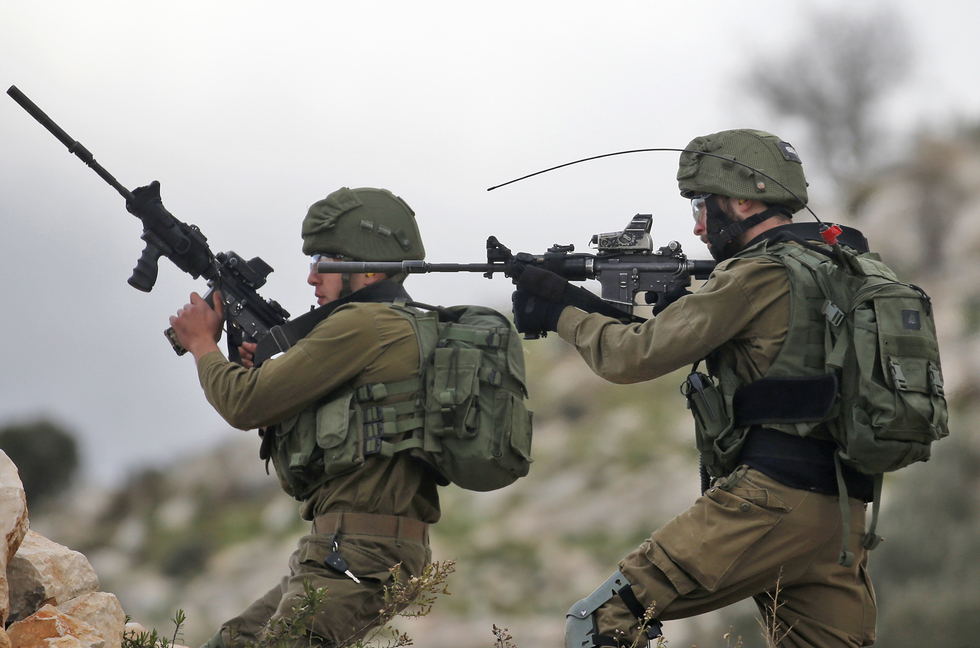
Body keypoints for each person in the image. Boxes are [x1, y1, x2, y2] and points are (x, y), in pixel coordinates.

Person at [512, 130, 878, 647]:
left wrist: (559, 311)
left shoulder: (754, 275)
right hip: (841, 515)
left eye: (704, 208)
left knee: (603, 621)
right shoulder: (844, 268)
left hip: (771, 503)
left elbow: (630, 356)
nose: (700, 227)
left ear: (745, 200)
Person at [169, 187, 440, 648]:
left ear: (366, 268)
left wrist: (203, 344)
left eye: (323, 259)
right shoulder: (392, 324)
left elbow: (243, 404)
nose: (312, 276)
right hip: (349, 550)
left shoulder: (362, 325)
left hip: (357, 551)